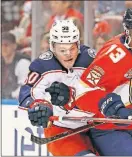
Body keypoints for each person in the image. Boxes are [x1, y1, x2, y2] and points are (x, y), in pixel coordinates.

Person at [46, 6, 132, 156]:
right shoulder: (112, 56)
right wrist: (110, 105)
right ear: (128, 32)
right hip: (109, 128)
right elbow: (83, 90)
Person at [18, 20, 97, 156]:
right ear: (52, 47)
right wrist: (38, 105)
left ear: (78, 44)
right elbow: (27, 91)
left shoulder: (91, 59)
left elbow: (107, 86)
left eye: (72, 48)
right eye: (62, 50)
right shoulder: (43, 65)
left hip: (95, 126)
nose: (68, 54)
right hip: (61, 129)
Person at [2, 32, 31, 99]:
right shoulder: (1, 62)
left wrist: (10, 95)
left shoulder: (23, 62)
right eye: (1, 45)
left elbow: (25, 86)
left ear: (14, 46)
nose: (3, 48)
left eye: (6, 45)